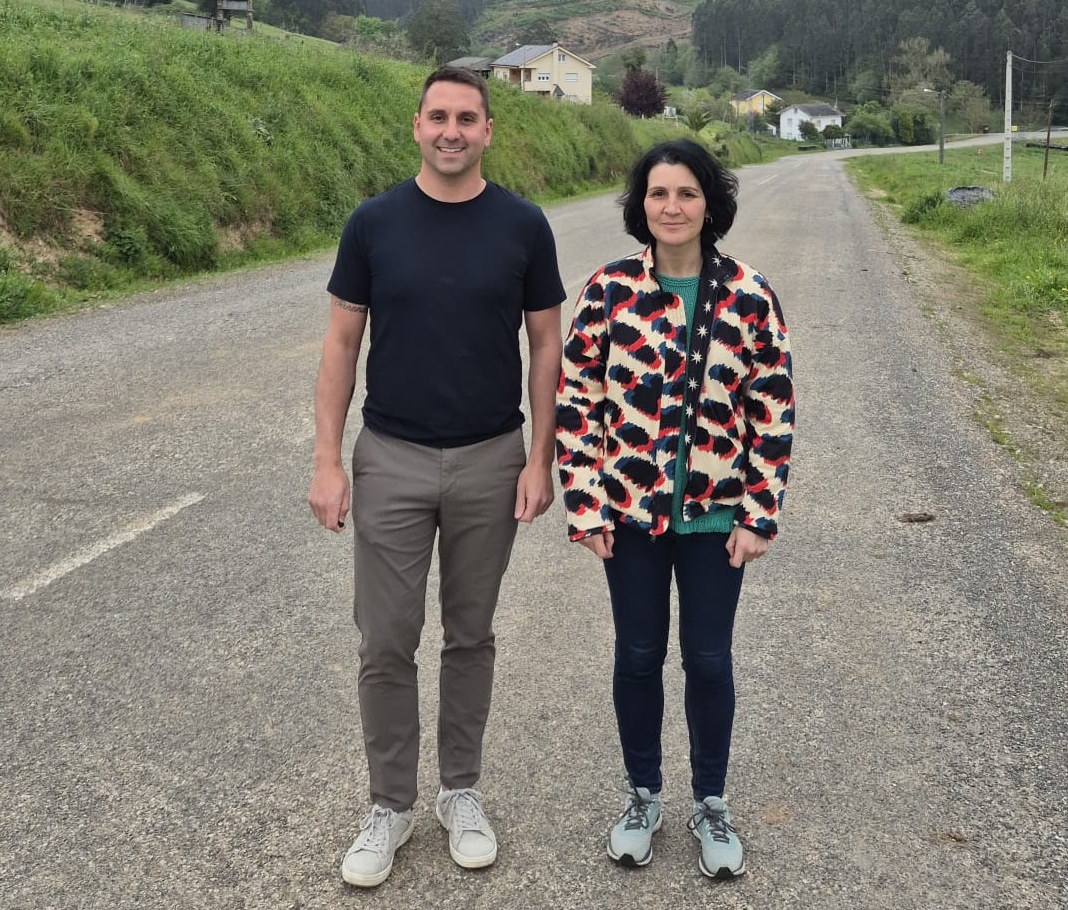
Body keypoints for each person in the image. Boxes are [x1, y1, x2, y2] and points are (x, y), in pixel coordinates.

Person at [309, 65, 565, 889]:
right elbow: (342, 345)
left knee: (470, 635)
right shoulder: (374, 223)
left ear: (489, 130)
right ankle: (389, 805)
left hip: (493, 456)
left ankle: (460, 792)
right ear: (416, 126)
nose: (452, 130)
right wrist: (326, 459)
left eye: (467, 118)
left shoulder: (524, 227)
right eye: (438, 117)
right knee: (385, 640)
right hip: (391, 456)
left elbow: (546, 348)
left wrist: (541, 458)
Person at [555, 138, 794, 880]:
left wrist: (760, 512)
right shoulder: (608, 291)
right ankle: (643, 795)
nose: (672, 207)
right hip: (630, 516)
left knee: (708, 658)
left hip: (716, 519)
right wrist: (586, 504)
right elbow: (577, 402)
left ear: (709, 203)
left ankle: (711, 802)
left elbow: (773, 408)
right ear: (640, 205)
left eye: (686, 193)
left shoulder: (749, 294)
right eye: (658, 194)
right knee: (636, 655)